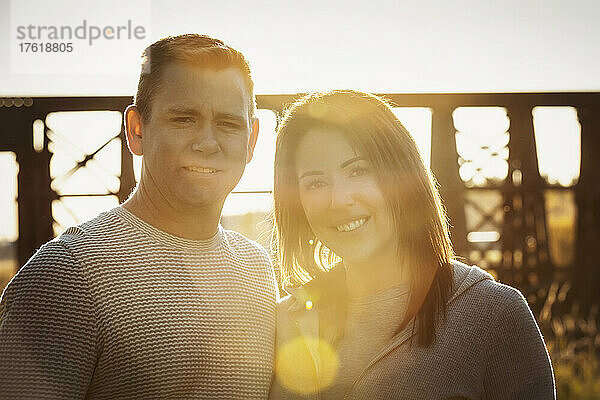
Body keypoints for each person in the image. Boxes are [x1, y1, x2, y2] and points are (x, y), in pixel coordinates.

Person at [0, 34, 278, 399]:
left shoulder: (257, 268)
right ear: (136, 130)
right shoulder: (65, 275)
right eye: (183, 119)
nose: (207, 143)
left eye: (228, 123)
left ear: (251, 140)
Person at [269, 90, 555, 399]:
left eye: (358, 170)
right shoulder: (284, 321)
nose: (339, 200)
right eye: (315, 183)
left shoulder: (494, 315)